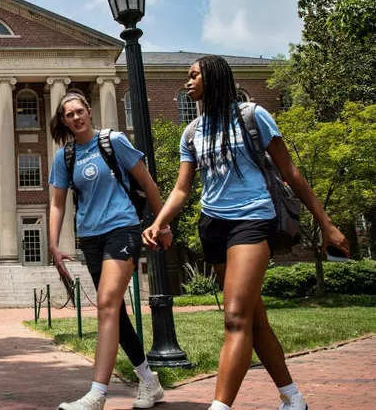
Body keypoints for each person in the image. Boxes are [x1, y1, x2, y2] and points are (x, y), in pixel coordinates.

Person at [142, 56, 350, 410]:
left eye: (193, 75)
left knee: (236, 317)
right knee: (255, 319)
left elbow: (291, 173)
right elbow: (182, 189)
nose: (187, 82)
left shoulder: (252, 116)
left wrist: (327, 224)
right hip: (213, 226)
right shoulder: (192, 131)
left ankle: (220, 406)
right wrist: (159, 221)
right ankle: (293, 397)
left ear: (215, 77)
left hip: (252, 220)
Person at [48, 89, 168, 410]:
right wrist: (54, 244)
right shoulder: (65, 157)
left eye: (79, 111)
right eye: (69, 114)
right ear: (64, 120)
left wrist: (162, 224)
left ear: (89, 110)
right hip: (90, 236)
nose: (76, 117)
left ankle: (97, 394)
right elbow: (57, 204)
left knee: (105, 303)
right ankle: (148, 380)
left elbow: (147, 183)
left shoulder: (113, 141)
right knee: (115, 312)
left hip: (123, 228)